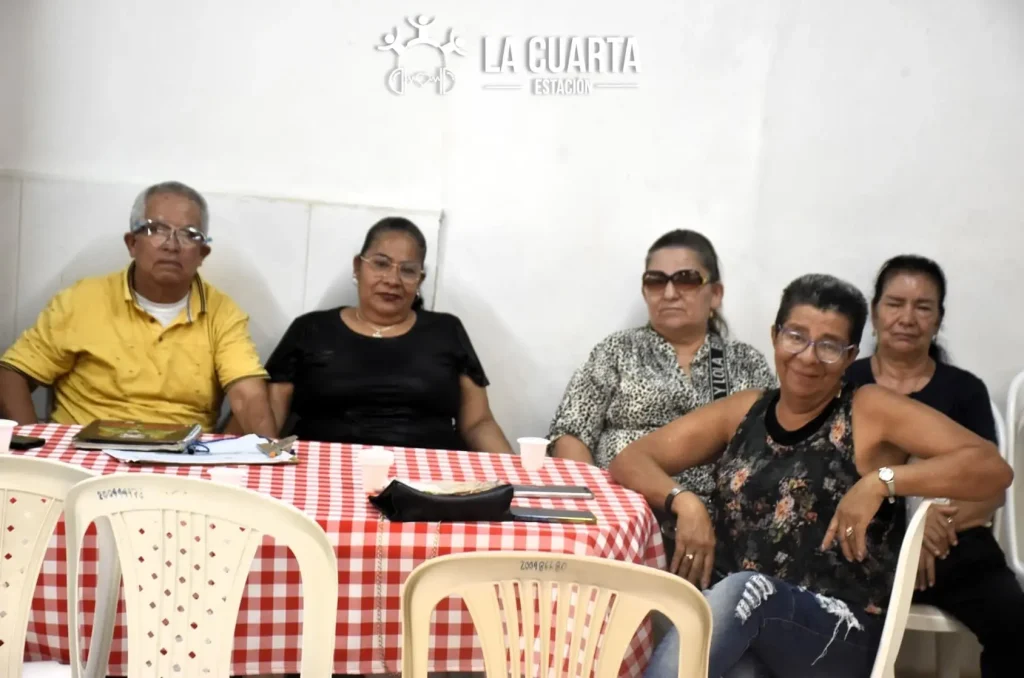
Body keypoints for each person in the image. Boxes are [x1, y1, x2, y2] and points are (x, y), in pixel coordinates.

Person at [611, 273, 1013, 678]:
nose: (807, 356)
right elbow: (631, 460)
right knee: (739, 667)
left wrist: (881, 481)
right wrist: (685, 501)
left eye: (829, 345)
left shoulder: (868, 409)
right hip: (749, 628)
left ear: (850, 354)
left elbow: (990, 468)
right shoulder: (744, 410)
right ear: (775, 336)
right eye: (796, 336)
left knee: (745, 590)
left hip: (838, 633)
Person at [846, 254, 1024, 677]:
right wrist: (904, 537)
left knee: (1014, 621)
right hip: (863, 548)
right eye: (895, 304)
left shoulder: (963, 390)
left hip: (951, 543)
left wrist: (927, 529)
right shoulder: (846, 383)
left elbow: (990, 487)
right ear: (874, 312)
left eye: (923, 307)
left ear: (938, 319)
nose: (907, 317)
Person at [0, 181, 276, 437]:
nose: (171, 245)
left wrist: (266, 456)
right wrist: (32, 445)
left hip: (181, 463)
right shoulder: (80, 300)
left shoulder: (223, 314)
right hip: (84, 455)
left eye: (189, 235)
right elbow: (12, 374)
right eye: (156, 229)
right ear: (132, 243)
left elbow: (248, 397)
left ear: (202, 253)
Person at [548, 229, 776, 521]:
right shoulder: (617, 351)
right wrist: (596, 505)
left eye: (687, 279)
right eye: (656, 282)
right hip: (625, 511)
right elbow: (570, 433)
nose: (669, 293)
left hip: (716, 522)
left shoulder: (746, 363)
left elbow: (772, 451)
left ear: (716, 294)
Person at [256, 217, 511, 452]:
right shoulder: (310, 329)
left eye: (408, 270)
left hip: (428, 480)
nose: (392, 279)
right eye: (381, 264)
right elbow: (269, 420)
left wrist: (523, 483)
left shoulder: (446, 330)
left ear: (420, 280)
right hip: (324, 472)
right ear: (358, 267)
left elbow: (478, 423)